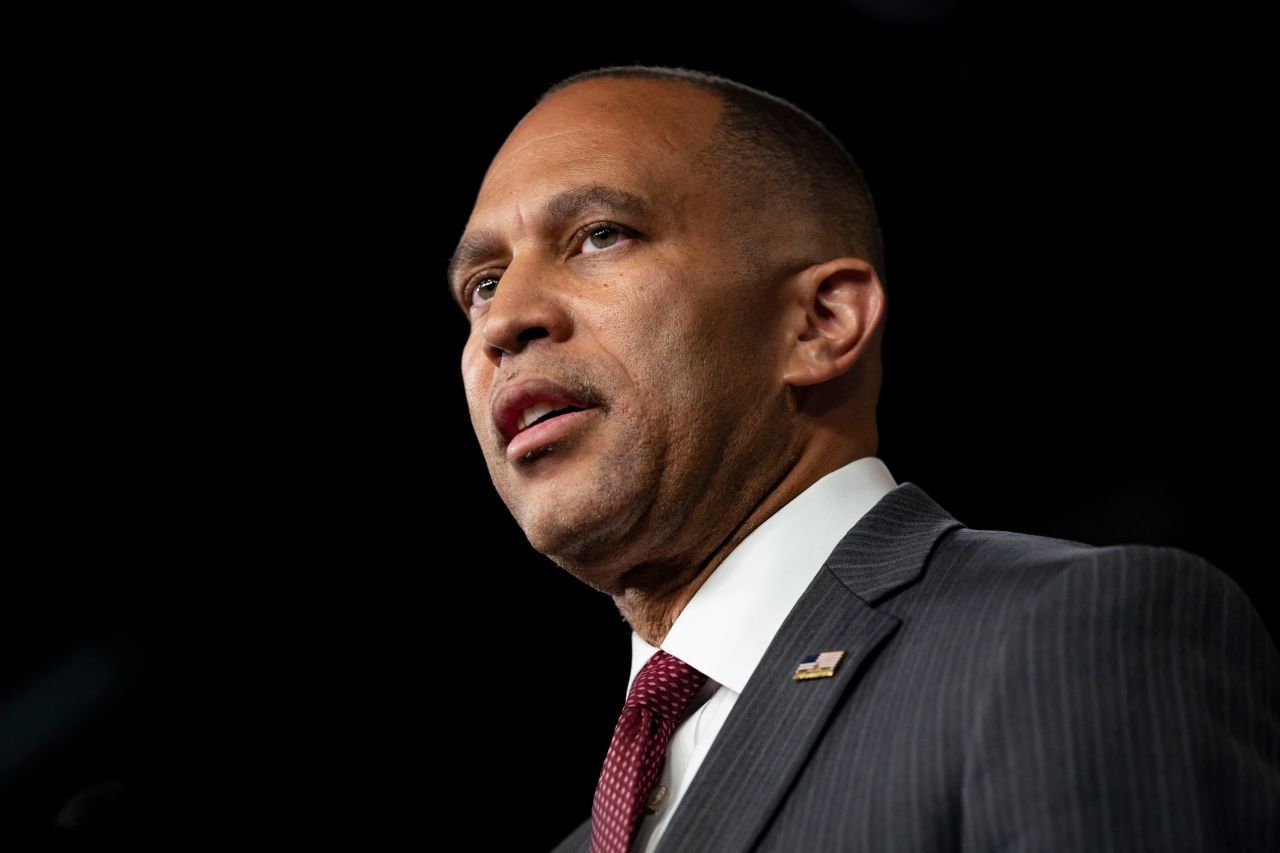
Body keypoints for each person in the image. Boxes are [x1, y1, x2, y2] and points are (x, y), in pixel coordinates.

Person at [447, 64, 1280, 852]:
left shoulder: (1068, 641)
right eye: (482, 283)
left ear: (820, 324)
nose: (503, 320)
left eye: (600, 236)